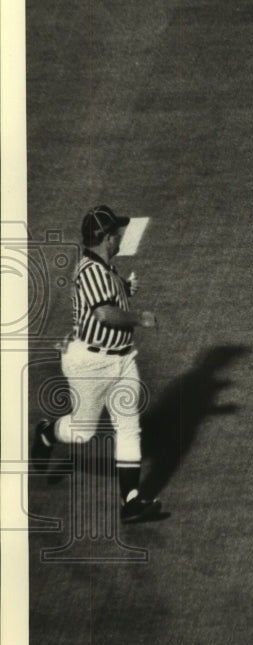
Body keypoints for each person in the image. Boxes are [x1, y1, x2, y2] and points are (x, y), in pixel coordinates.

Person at [30, 205, 164, 524]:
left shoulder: (106, 267)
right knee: (83, 431)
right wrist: (139, 318)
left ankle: (130, 502)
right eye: (115, 233)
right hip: (91, 363)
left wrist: (126, 290)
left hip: (122, 360)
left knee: (128, 427)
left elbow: (109, 298)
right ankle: (48, 433)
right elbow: (104, 314)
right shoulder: (89, 270)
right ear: (105, 238)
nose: (119, 237)